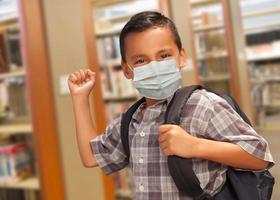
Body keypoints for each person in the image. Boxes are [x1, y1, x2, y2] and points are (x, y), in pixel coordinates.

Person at [68, 11, 274, 199]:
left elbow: (259, 156)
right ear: (127, 70)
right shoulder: (130, 121)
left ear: (181, 57)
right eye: (141, 61)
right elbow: (92, 157)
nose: (155, 67)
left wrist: (196, 146)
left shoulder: (203, 105)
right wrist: (80, 98)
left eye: (164, 56)